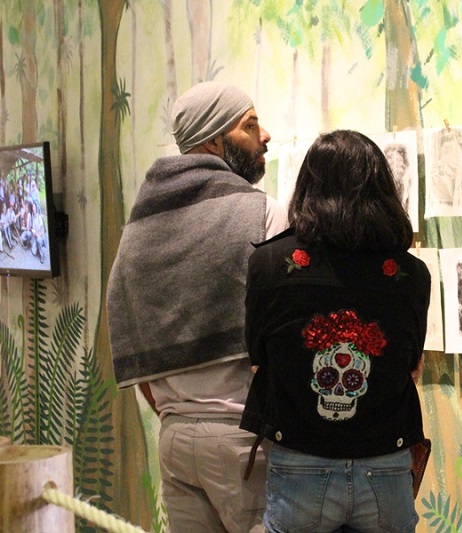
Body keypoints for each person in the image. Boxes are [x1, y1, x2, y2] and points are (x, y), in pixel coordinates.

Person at [107, 81, 288, 533]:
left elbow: (130, 328)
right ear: (214, 141)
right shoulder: (263, 215)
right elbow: (292, 331)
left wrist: (177, 411)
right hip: (244, 441)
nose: (265, 135)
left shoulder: (140, 228)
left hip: (174, 440)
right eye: (250, 126)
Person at [241, 129, 430, 533]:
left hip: (300, 461)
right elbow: (413, 366)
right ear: (383, 189)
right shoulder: (412, 274)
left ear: (307, 187)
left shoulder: (270, 265)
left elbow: (258, 358)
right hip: (386, 464)